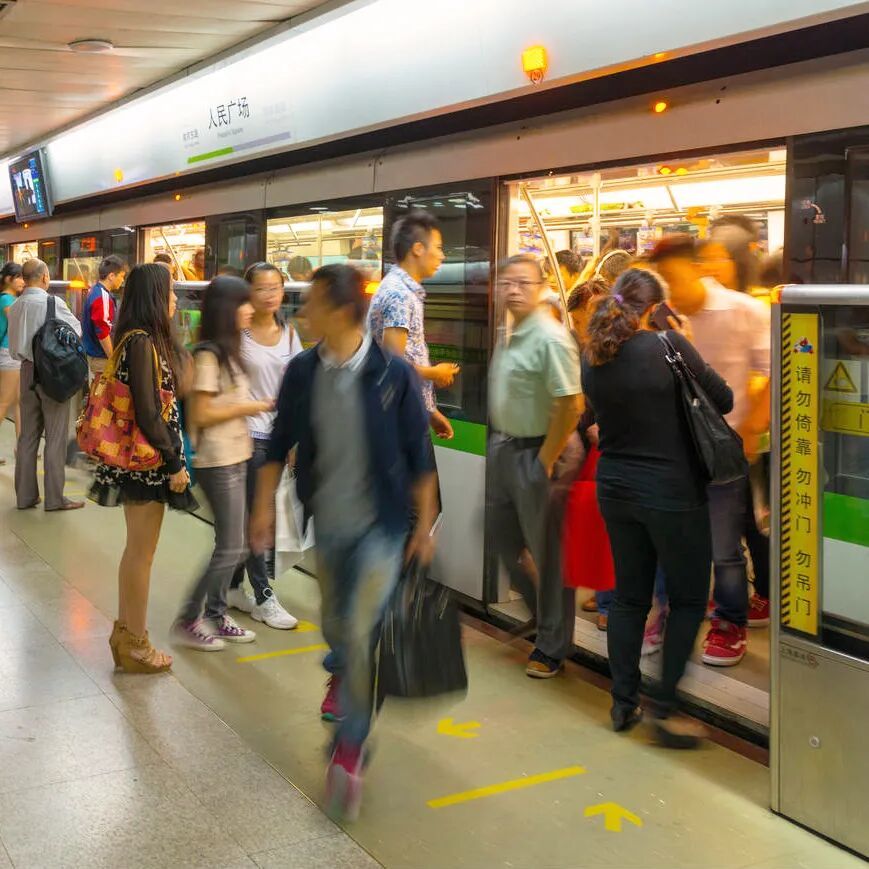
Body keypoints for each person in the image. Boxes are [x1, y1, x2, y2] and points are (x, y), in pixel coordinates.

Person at [250, 264, 437, 821]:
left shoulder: (392, 373)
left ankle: (351, 747)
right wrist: (261, 508)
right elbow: (279, 443)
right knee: (336, 627)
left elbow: (419, 453)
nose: (302, 312)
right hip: (328, 524)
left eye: (311, 303)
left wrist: (423, 527)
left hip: (383, 526)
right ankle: (348, 694)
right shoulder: (303, 371)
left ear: (341, 311)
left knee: (357, 633)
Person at [582, 268, 733, 746]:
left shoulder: (594, 353)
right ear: (655, 308)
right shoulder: (670, 346)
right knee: (687, 599)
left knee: (630, 598)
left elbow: (596, 417)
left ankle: (623, 703)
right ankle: (664, 710)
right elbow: (724, 399)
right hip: (671, 493)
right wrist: (689, 344)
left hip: (616, 488)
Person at [650, 235, 771, 666]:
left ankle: (729, 622)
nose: (669, 290)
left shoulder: (745, 310)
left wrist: (752, 429)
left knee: (723, 547)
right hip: (674, 449)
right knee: (670, 540)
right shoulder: (663, 317)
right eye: (663, 281)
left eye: (673, 279)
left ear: (697, 268)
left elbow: (773, 372)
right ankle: (669, 613)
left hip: (723, 451)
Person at [88, 264, 197, 672]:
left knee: (136, 551)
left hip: (141, 460)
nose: (175, 299)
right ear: (154, 296)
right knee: (141, 554)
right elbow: (150, 414)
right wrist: (174, 463)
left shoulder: (136, 339)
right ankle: (136, 643)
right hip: (147, 462)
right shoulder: (142, 342)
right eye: (170, 292)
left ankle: (126, 633)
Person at [489, 254, 584, 678]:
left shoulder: (550, 337)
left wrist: (546, 459)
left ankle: (552, 646)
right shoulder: (509, 333)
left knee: (549, 556)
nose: (513, 290)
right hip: (504, 448)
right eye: (506, 282)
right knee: (500, 537)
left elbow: (571, 404)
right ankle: (543, 615)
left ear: (541, 288)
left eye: (523, 283)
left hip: (536, 453)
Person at [171, 276, 273, 650]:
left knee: (236, 543)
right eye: (244, 303)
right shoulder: (209, 356)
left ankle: (216, 614)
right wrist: (251, 407)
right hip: (217, 460)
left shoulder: (230, 351)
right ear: (228, 309)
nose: (251, 309)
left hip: (236, 455)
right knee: (232, 546)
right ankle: (188, 619)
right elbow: (201, 413)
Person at [226, 262, 302, 629]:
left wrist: (294, 438)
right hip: (247, 437)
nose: (270, 295)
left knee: (251, 518)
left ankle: (230, 587)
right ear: (248, 292)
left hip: (278, 437)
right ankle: (263, 595)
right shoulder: (238, 336)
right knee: (257, 518)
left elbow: (297, 388)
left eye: (276, 287)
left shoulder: (290, 335)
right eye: (261, 288)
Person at [367, 211, 458, 441]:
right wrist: (435, 373)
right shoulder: (399, 295)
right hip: (398, 420)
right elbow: (392, 365)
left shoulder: (400, 289)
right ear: (418, 249)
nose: (442, 256)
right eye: (438, 247)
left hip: (404, 413)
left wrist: (431, 412)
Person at [7, 259, 84, 511]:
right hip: (53, 374)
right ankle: (55, 498)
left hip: (26, 371)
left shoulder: (15, 306)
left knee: (27, 437)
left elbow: (14, 346)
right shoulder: (53, 303)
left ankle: (26, 496)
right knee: (55, 437)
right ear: (44, 277)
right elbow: (76, 331)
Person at [81, 255, 127, 379]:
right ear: (111, 276)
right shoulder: (102, 297)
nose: (122, 280)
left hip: (94, 355)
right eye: (121, 276)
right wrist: (113, 359)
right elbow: (103, 333)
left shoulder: (94, 291)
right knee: (103, 390)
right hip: (101, 359)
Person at [0, 262, 24, 460]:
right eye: (19, 277)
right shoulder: (7, 299)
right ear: (9, 279)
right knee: (4, 402)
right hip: (9, 354)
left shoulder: (13, 298)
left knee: (19, 402)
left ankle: (22, 447)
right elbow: (17, 322)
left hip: (14, 353)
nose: (23, 281)